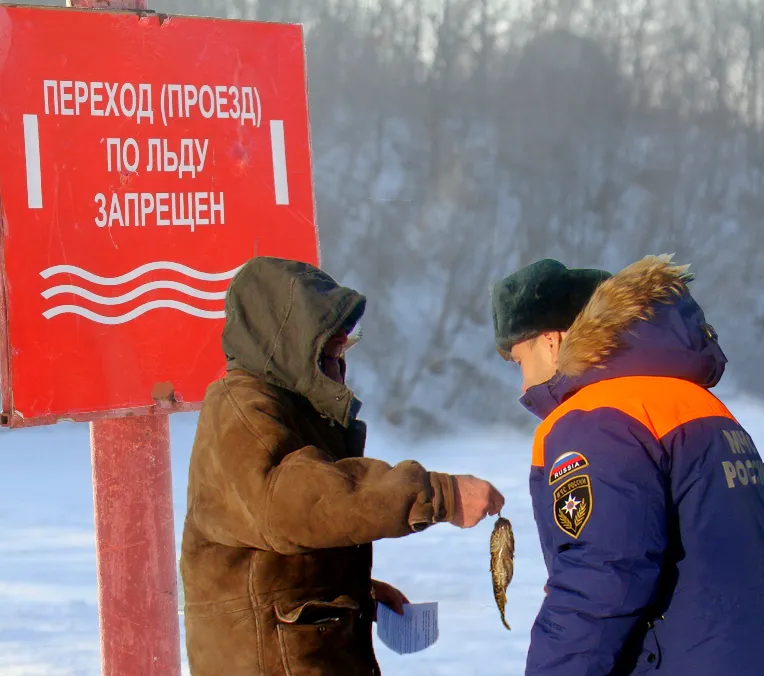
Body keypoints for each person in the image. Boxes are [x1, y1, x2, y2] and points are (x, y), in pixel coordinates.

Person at [181, 256, 504, 676]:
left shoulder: (288, 406)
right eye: (326, 343)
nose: (340, 350)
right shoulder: (242, 410)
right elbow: (301, 501)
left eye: (343, 342)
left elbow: (270, 559)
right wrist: (438, 495)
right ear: (286, 340)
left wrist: (354, 591)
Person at [490, 255, 764, 675]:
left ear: (552, 341)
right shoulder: (698, 404)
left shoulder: (596, 417)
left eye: (519, 360)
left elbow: (600, 578)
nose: (524, 385)